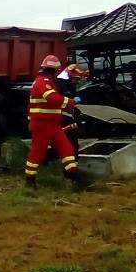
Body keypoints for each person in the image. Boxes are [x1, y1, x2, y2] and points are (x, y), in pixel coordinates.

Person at [24, 55, 81, 188]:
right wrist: (72, 102)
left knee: (67, 150)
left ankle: (73, 178)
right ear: (54, 70)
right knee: (37, 153)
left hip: (52, 125)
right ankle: (30, 181)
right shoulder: (43, 82)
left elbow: (50, 103)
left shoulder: (46, 81)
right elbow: (52, 98)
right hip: (43, 126)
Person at [55, 64, 88, 156]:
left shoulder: (70, 84)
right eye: (75, 79)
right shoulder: (60, 84)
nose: (76, 81)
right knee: (68, 144)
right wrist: (72, 101)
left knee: (72, 144)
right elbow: (60, 100)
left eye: (78, 79)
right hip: (62, 118)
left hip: (69, 117)